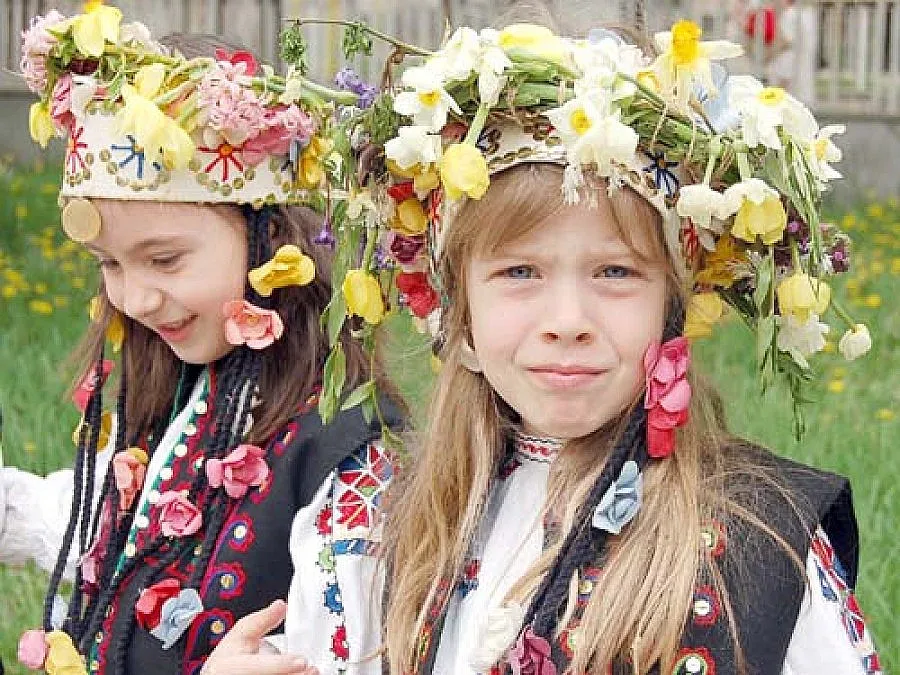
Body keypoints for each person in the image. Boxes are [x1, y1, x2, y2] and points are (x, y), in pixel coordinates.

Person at [211, 12, 881, 675]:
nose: (567, 319)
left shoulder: (762, 547)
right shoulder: (369, 530)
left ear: (671, 308)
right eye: (519, 273)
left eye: (615, 272)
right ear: (456, 315)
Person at [1, 5, 401, 675]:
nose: (134, 298)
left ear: (270, 236)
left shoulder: (347, 457)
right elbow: (116, 528)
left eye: (164, 259)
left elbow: (352, 651)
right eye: (109, 263)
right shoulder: (190, 385)